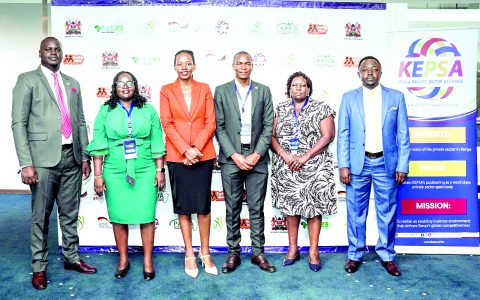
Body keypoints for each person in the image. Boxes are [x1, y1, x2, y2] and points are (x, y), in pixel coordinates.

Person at [11, 37, 97, 290]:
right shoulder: (27, 80)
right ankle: (39, 267)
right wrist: (26, 163)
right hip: (42, 162)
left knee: (70, 214)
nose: (53, 52)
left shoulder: (72, 83)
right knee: (41, 216)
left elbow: (80, 121)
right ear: (40, 53)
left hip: (72, 157)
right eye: (48, 49)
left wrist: (84, 156)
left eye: (57, 49)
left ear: (62, 54)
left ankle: (71, 257)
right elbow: (19, 123)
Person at [86, 71, 166, 281]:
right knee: (118, 215)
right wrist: (97, 175)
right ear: (114, 87)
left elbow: (157, 140)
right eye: (120, 83)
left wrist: (159, 170)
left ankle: (148, 260)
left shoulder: (148, 110)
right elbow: (99, 144)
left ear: (135, 86)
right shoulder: (106, 110)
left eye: (129, 82)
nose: (125, 86)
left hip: (145, 166)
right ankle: (123, 259)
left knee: (147, 215)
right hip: (114, 168)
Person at [337, 56, 410, 276]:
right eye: (365, 69)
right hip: (358, 164)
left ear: (381, 72)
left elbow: (403, 134)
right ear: (358, 73)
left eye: (374, 69)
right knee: (356, 212)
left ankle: (387, 255)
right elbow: (343, 134)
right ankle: (355, 254)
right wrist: (344, 164)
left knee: (387, 212)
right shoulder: (348, 98)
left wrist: (403, 165)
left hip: (386, 164)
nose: (370, 72)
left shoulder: (396, 97)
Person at [214, 51, 276, 273]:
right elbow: (219, 127)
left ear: (252, 66)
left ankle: (258, 252)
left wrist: (257, 154)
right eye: (239, 63)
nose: (243, 67)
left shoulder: (263, 91)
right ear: (233, 66)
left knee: (256, 208)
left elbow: (269, 126)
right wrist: (235, 155)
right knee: (232, 207)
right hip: (232, 159)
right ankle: (233, 253)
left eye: (247, 63)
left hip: (257, 159)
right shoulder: (221, 91)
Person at [270, 71, 337, 272]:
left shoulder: (321, 107)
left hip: (315, 167)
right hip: (287, 166)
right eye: (295, 85)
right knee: (290, 208)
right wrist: (286, 155)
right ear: (288, 89)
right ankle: (292, 249)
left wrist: (304, 157)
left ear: (309, 89)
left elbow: (328, 136)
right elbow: (271, 136)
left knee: (313, 208)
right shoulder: (280, 109)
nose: (299, 88)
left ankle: (314, 251)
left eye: (303, 85)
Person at [160, 50, 218, 278]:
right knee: (183, 207)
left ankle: (205, 252)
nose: (184, 67)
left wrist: (196, 149)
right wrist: (186, 149)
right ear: (174, 66)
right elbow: (167, 123)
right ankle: (189, 253)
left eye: (188, 63)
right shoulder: (166, 90)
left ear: (194, 66)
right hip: (177, 156)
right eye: (179, 63)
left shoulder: (204, 88)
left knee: (203, 207)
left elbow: (210, 121)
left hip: (203, 155)